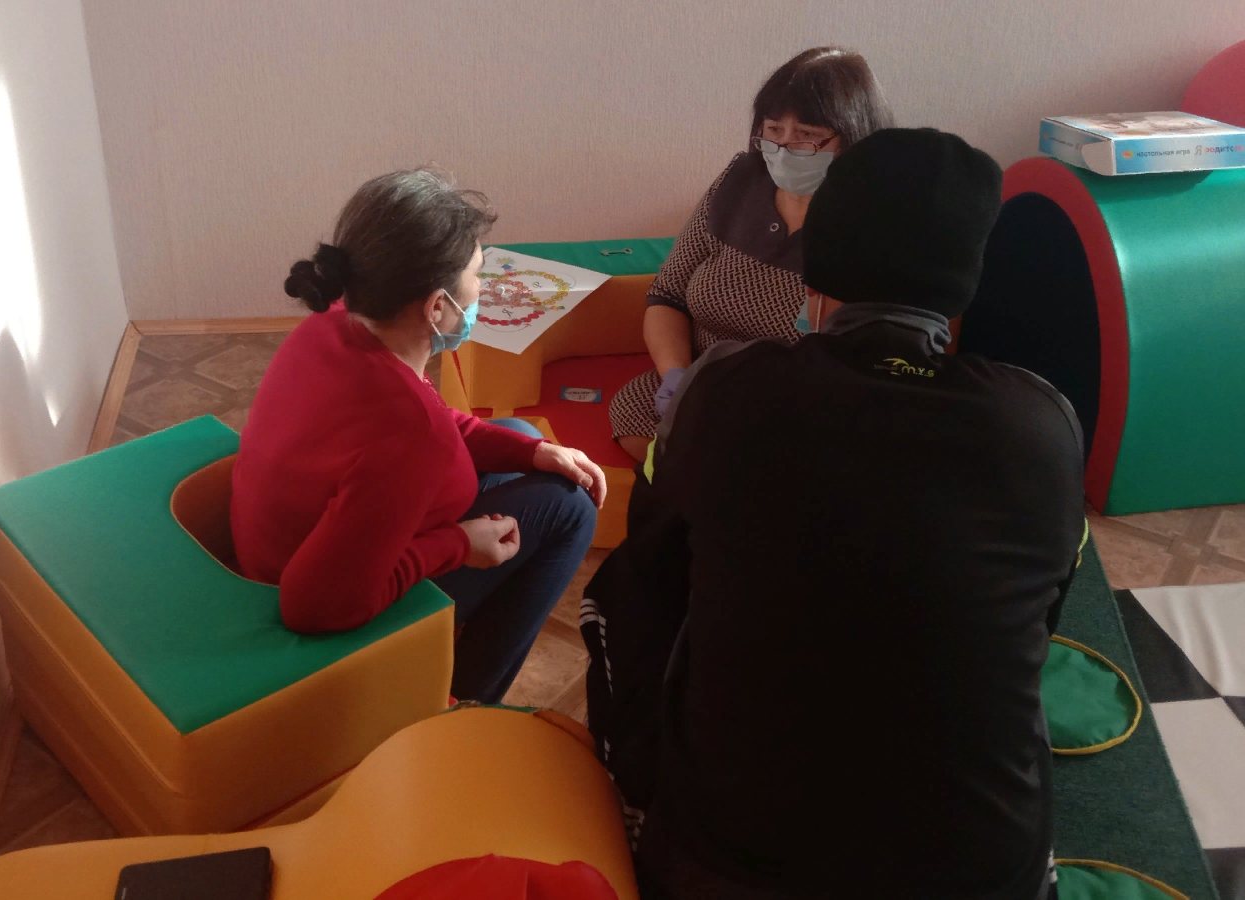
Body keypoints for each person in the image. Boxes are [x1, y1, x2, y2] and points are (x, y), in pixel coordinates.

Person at [627, 129, 1088, 899]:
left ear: (819, 259)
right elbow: (1039, 621)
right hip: (980, 873)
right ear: (967, 277)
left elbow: (651, 581)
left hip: (729, 863)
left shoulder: (727, 393)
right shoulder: (1042, 424)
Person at [229, 168, 604, 703]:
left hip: (297, 543)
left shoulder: (334, 325)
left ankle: (461, 671)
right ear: (436, 306)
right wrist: (457, 546)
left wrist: (534, 451)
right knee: (572, 508)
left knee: (520, 435)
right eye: (476, 275)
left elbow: (430, 421)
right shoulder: (409, 435)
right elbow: (312, 608)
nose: (482, 289)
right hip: (323, 602)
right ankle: (463, 701)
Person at [608, 47, 893, 461]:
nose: (783, 147)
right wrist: (677, 376)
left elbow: (866, 361)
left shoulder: (874, 227)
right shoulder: (740, 181)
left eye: (807, 135)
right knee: (633, 413)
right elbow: (667, 294)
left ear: (854, 136)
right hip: (705, 376)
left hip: (801, 401)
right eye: (773, 130)